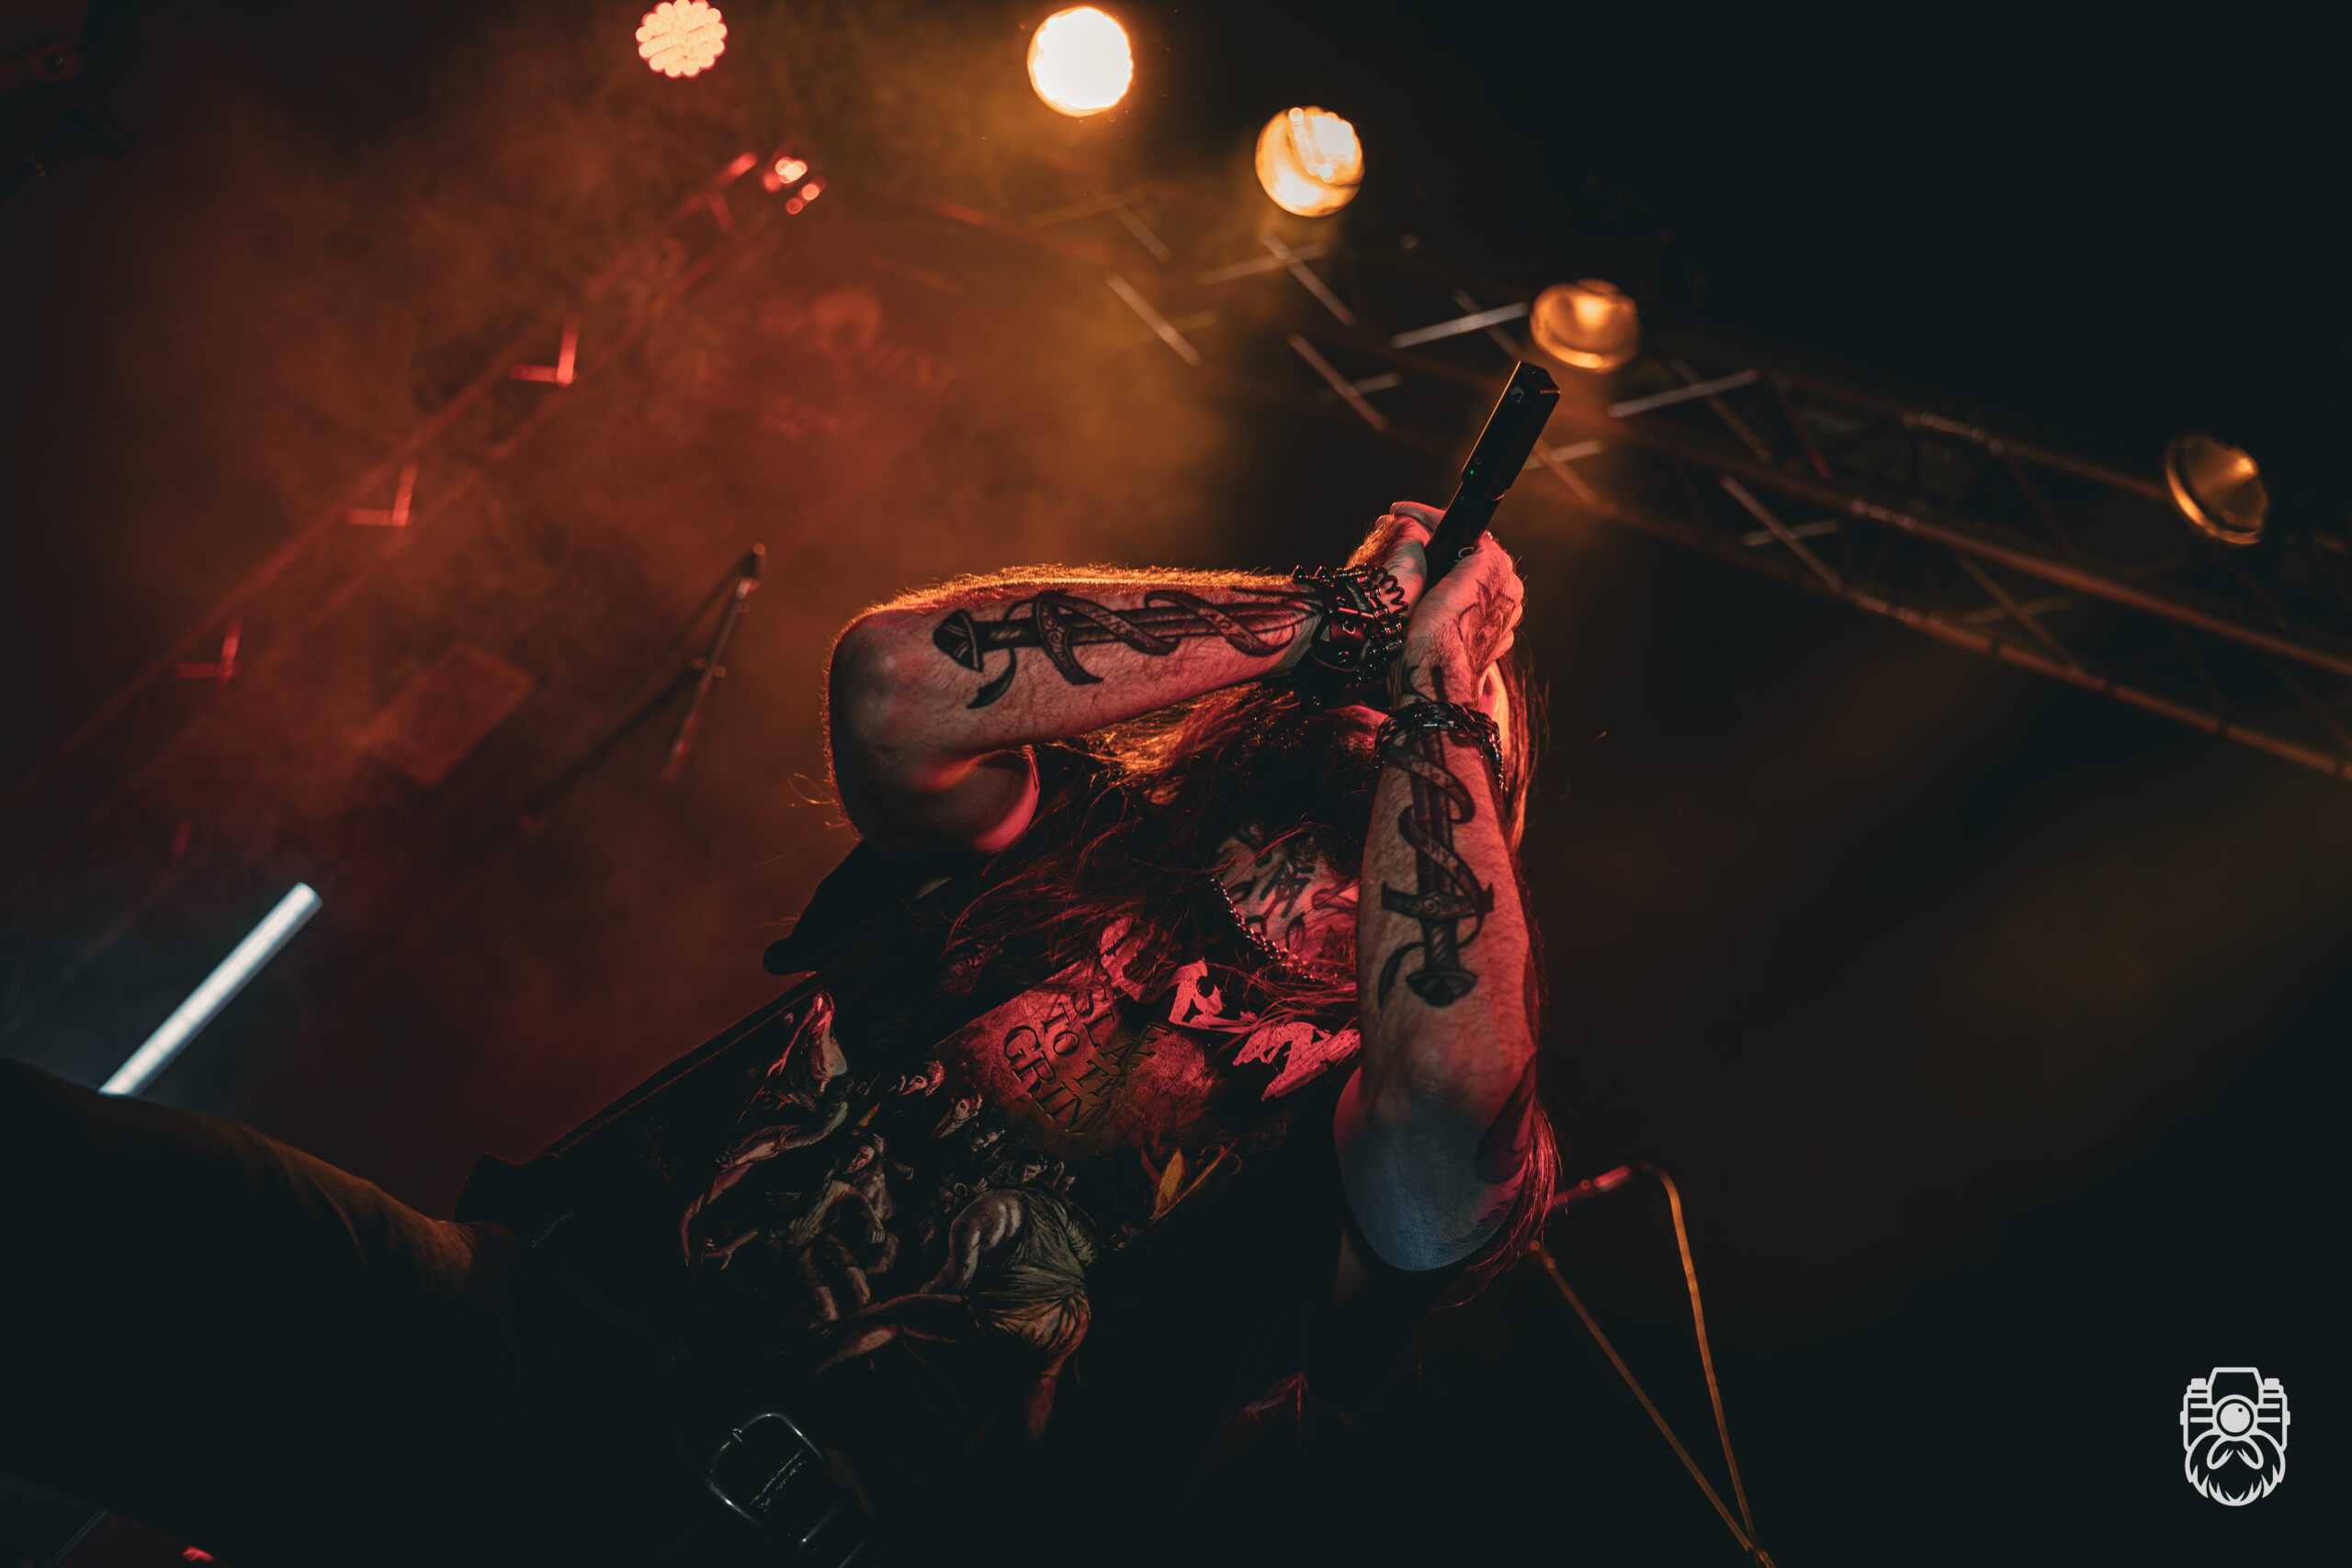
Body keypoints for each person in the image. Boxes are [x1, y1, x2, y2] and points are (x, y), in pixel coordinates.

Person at [0, 504, 1555, 1566]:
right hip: (532, 1347)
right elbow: (894, 685)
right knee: (69, 1198)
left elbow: (1449, 1098)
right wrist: (1334, 607)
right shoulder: (1067, 829)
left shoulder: (1388, 1095)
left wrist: (1445, 688)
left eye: (1457, 714)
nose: (1403, 688)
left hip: (814, 1536)